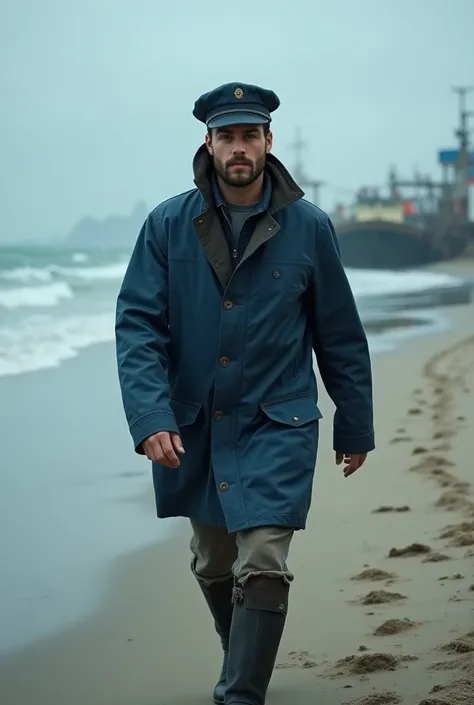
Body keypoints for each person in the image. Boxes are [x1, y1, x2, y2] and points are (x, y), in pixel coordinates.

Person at [114, 81, 375, 705]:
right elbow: (138, 327)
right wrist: (150, 416)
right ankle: (245, 664)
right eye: (227, 136)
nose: (239, 148)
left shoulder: (309, 227)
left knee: (263, 562)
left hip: (277, 421)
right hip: (194, 425)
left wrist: (354, 423)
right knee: (213, 563)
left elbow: (338, 330)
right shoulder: (167, 224)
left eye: (249, 135)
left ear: (267, 141)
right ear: (208, 142)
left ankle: (240, 695)